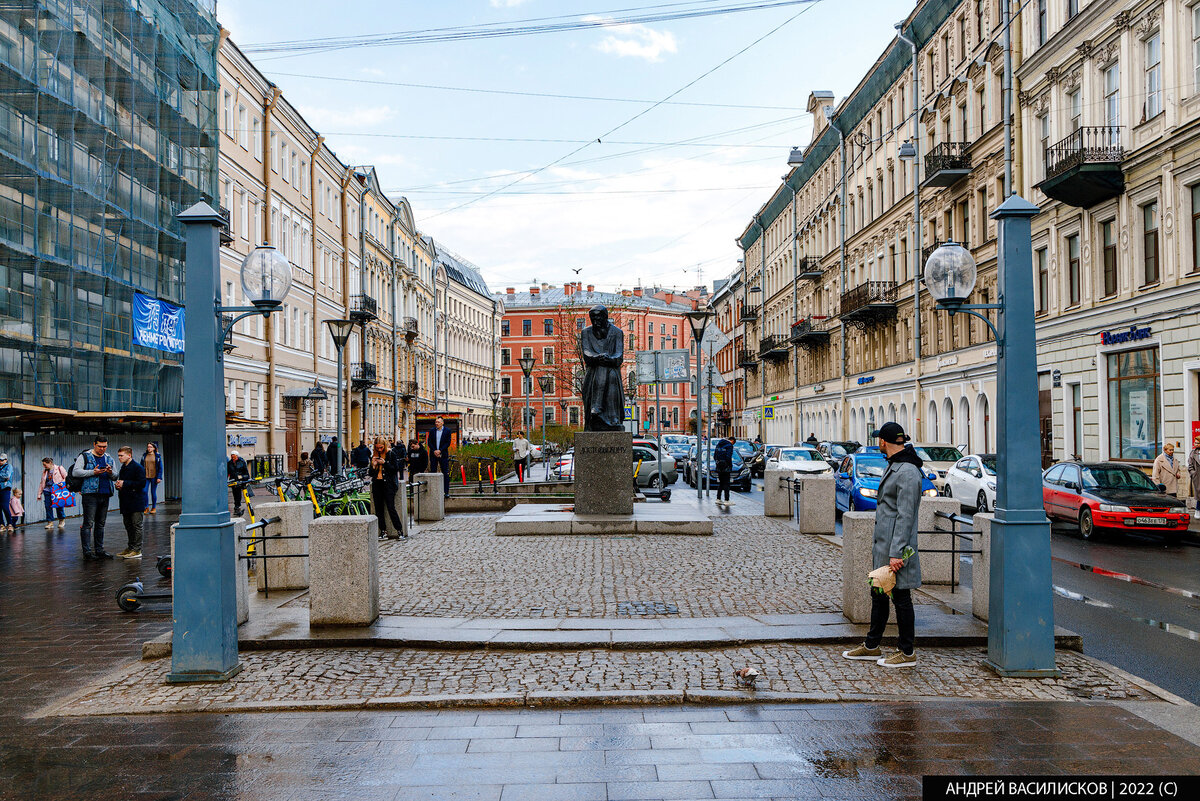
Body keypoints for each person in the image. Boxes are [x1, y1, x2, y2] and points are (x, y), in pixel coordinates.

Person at [842, 422, 923, 668]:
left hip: (896, 550)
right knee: (877, 594)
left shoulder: (907, 471)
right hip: (884, 547)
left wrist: (897, 552)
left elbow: (906, 515)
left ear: (883, 442)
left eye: (879, 439)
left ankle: (907, 652)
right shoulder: (896, 466)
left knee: (901, 597)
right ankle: (872, 645)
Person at [71, 435, 116, 559]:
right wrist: (93, 472)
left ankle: (99, 550)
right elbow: (76, 471)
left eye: (105, 447)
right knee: (88, 523)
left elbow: (116, 476)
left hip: (105, 493)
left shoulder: (109, 458)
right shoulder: (85, 456)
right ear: (94, 444)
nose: (102, 449)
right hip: (90, 494)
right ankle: (87, 552)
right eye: (100, 446)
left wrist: (110, 472)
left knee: (101, 524)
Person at [114, 446, 146, 558]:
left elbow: (142, 483)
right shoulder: (123, 467)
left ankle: (137, 549)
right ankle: (131, 547)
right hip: (125, 501)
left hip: (136, 501)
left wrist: (125, 483)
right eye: (118, 455)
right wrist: (119, 485)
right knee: (128, 525)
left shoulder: (138, 468)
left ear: (129, 455)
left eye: (121, 455)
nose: (119, 458)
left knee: (136, 525)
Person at [369, 436, 404, 539]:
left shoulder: (391, 454)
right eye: (377, 448)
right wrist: (374, 465)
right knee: (378, 509)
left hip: (388, 484)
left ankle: (399, 530)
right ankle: (382, 531)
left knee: (390, 507)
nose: (379, 450)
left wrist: (385, 463)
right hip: (377, 484)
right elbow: (371, 473)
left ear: (384, 446)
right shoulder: (374, 455)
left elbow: (395, 469)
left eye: (381, 447)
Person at [38, 456, 68, 529]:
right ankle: (50, 522)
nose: (44, 466)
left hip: (57, 490)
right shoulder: (45, 471)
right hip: (47, 490)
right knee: (48, 506)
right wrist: (39, 494)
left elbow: (66, 477)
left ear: (50, 463)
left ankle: (61, 520)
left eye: (45, 464)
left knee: (58, 505)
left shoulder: (59, 468)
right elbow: (42, 483)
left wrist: (62, 482)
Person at [427, 416, 452, 496]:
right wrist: (434, 450)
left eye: (438, 422)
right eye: (436, 422)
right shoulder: (432, 431)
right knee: (433, 472)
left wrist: (440, 450)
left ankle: (446, 491)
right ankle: (433, 491)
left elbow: (447, 443)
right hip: (433, 454)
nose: (436, 423)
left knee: (445, 472)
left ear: (442, 423)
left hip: (443, 454)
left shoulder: (447, 431)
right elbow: (429, 442)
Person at [141, 442, 162, 514]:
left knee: (153, 492)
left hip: (154, 477)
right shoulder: (144, 455)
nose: (149, 448)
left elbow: (160, 467)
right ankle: (146, 507)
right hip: (146, 476)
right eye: (148, 447)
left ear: (154, 448)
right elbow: (141, 466)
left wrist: (159, 477)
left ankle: (153, 507)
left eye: (150, 447)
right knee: (144, 491)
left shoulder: (157, 456)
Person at [713, 435, 735, 508]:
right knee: (726, 483)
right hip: (726, 466)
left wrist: (718, 463)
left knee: (721, 483)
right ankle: (726, 500)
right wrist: (729, 465)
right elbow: (728, 457)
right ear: (732, 441)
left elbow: (714, 456)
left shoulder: (719, 444)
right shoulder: (729, 446)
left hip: (719, 465)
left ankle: (718, 498)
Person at [227, 450, 250, 517]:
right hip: (233, 480)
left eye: (234, 457)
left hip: (240, 480)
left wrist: (241, 477)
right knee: (235, 494)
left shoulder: (242, 462)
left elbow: (246, 474)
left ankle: (239, 506)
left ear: (237, 456)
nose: (233, 458)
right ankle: (237, 507)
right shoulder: (229, 463)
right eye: (232, 457)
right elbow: (228, 472)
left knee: (239, 493)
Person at [0, 453, 13, 533]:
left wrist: (2, 477)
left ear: (6, 460)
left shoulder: (9, 466)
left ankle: (10, 524)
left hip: (5, 488)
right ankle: (1, 524)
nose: (0, 461)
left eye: (2, 460)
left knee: (5, 507)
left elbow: (7, 476)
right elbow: (3, 477)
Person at [1190, 434, 1200, 520]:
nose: (1195, 444)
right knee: (1199, 495)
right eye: (1195, 443)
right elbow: (1190, 465)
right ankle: (1197, 510)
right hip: (1198, 477)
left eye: (1197, 443)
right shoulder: (1193, 453)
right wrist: (1193, 473)